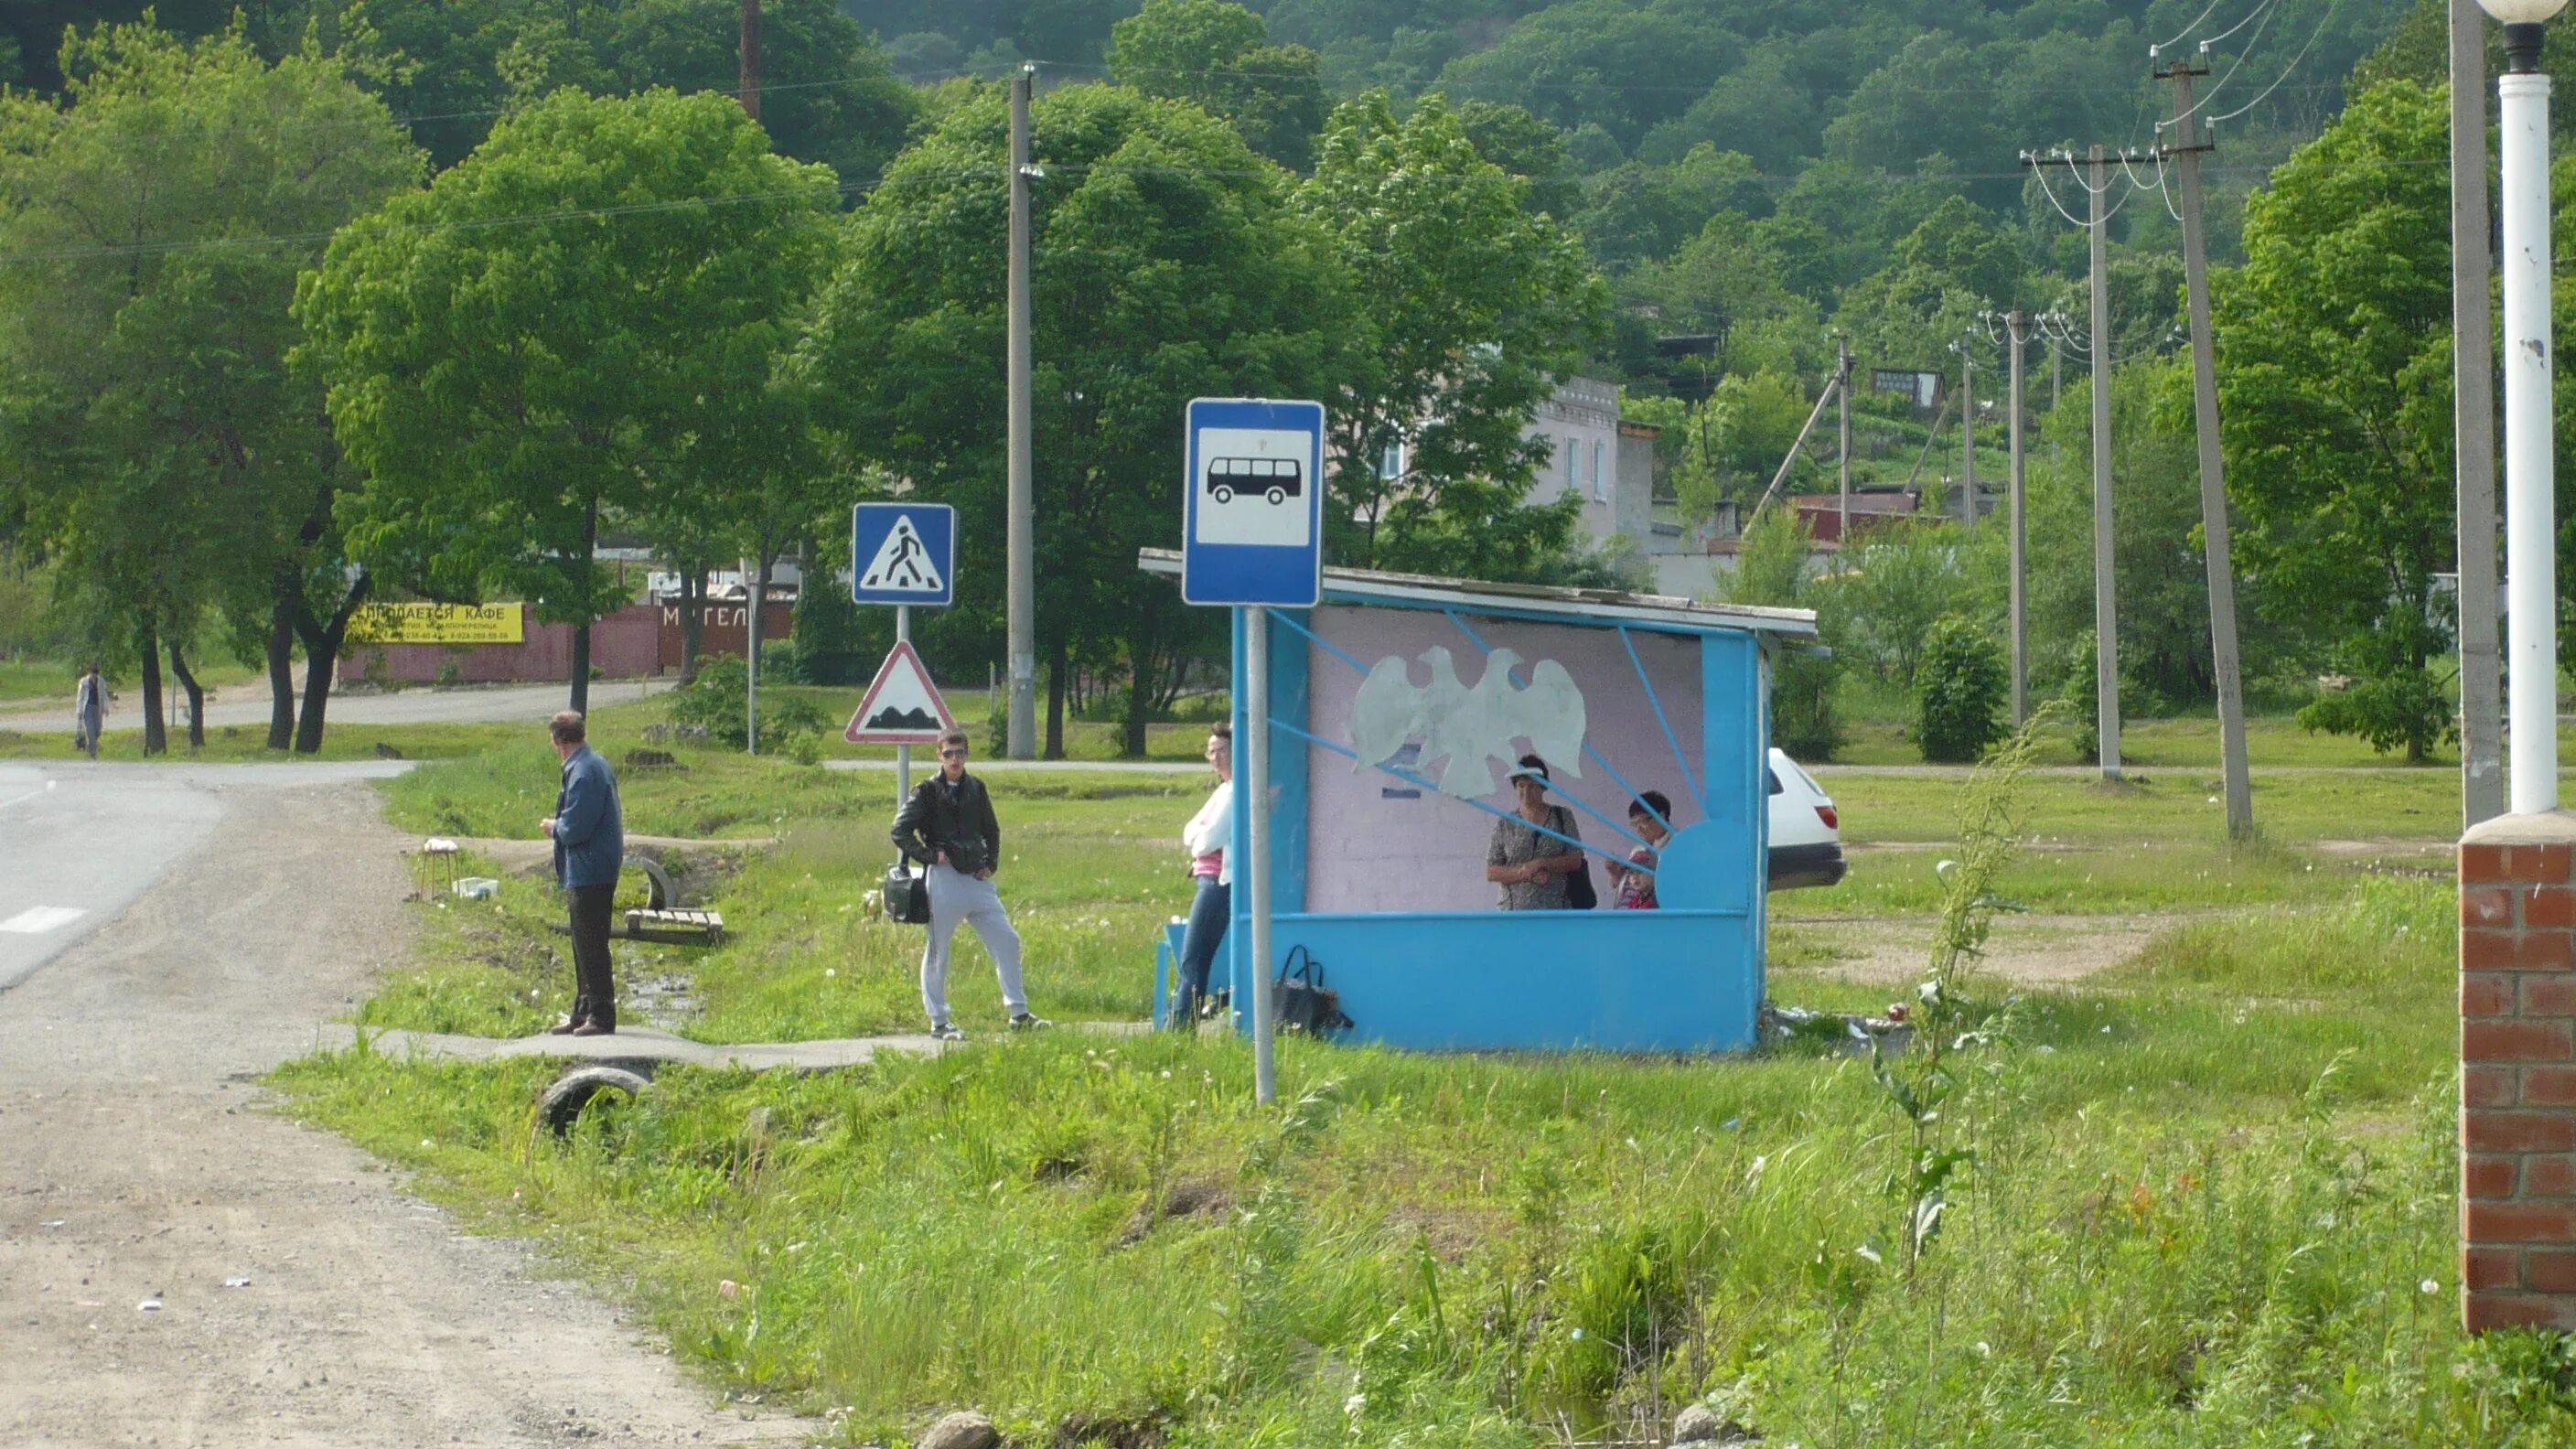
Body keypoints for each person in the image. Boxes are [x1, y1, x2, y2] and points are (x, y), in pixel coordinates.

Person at [892, 728, 1048, 1040]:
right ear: (939, 755)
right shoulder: (926, 791)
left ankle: (1019, 1013)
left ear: (967, 755)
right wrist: (929, 855)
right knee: (938, 950)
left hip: (976, 878)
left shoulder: (976, 787)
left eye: (960, 753)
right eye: (949, 753)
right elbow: (899, 830)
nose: (955, 759)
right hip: (944, 880)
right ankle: (939, 1021)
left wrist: (991, 864)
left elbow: (992, 829)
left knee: (1008, 939)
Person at [541, 710, 624, 1036]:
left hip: (591, 867)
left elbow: (576, 827)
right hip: (589, 866)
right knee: (581, 942)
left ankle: (602, 1016)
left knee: (591, 943)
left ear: (558, 740)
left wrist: (553, 827)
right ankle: (583, 1011)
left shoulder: (585, 772)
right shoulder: (588, 765)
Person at [1169, 723, 1233, 1027]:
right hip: (1205, 879)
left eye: (1221, 750)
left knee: (1192, 958)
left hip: (1217, 883)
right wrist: (1200, 838)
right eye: (1211, 751)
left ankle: (1179, 1027)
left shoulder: (1236, 791)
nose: (1215, 758)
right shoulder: (1222, 790)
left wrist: (1200, 839)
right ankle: (1185, 1023)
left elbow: (1208, 840)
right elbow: (1189, 831)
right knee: (1197, 958)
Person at [1485, 755, 1585, 910]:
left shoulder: (1562, 817)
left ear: (1543, 786)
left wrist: (1542, 864)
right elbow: (1491, 871)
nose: (1526, 791)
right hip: (1513, 912)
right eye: (1521, 785)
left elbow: (1575, 859)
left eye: (1532, 786)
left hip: (1556, 910)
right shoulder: (1505, 823)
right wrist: (1524, 873)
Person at [1606, 789, 1672, 910]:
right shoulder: (1639, 850)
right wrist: (1616, 875)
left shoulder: (1676, 847)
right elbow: (1630, 887)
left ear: (1661, 816)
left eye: (1642, 822)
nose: (1638, 829)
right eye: (1634, 824)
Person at [72, 665, 104, 760]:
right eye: (93, 674)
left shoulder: (101, 681)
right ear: (89, 673)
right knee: (90, 730)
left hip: (98, 708)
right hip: (87, 708)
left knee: (97, 730)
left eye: (96, 674)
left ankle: (92, 745)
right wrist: (79, 711)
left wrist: (105, 707)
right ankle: (92, 753)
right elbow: (80, 697)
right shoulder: (84, 682)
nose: (94, 676)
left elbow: (104, 694)